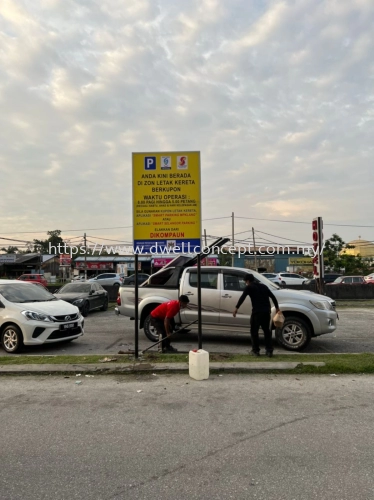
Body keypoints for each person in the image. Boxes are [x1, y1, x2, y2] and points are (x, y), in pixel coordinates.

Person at [233, 274, 280, 357]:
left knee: (254, 331)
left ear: (247, 281)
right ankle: (269, 351)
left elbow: (242, 297)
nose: (245, 283)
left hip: (257, 313)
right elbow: (273, 297)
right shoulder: (264, 286)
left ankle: (255, 351)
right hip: (266, 312)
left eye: (245, 281)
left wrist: (236, 308)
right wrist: (277, 308)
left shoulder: (249, 287)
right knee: (266, 331)